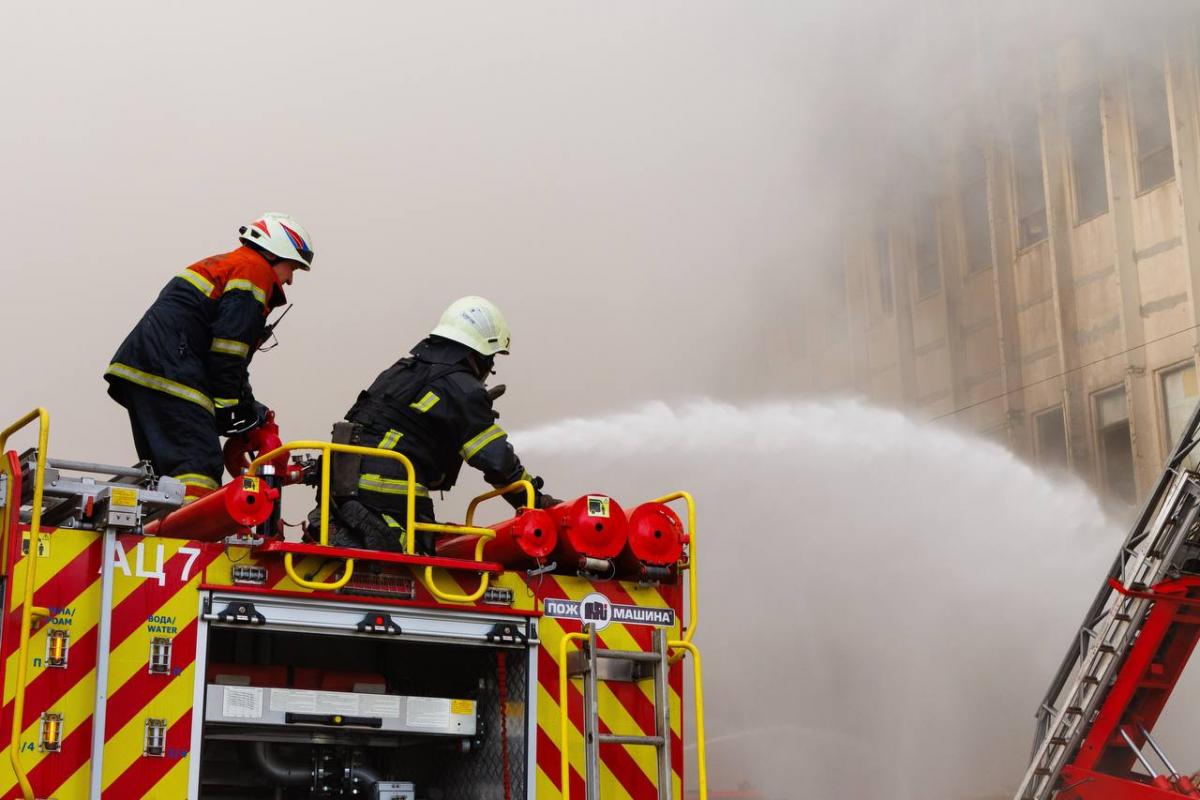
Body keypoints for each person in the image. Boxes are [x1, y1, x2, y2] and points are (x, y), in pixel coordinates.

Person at [315, 296, 558, 553]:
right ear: (479, 355)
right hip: (390, 500)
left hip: (342, 496)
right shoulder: (461, 388)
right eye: (491, 359)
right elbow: (495, 460)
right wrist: (534, 499)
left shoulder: (402, 371)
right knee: (419, 556)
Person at [104, 212, 313, 495]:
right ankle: (189, 538)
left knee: (165, 476)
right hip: (173, 375)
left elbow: (232, 362)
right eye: (293, 268)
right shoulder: (253, 272)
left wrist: (248, 408)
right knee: (197, 466)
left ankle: (163, 527)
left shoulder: (229, 265)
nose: (289, 280)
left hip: (148, 372)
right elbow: (228, 351)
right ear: (275, 254)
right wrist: (229, 408)